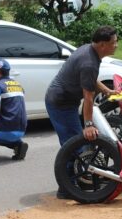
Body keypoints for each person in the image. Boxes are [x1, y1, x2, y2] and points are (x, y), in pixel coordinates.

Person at [45, 25, 117, 199]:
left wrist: (107, 90)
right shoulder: (89, 62)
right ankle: (66, 188)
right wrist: (89, 125)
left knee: (77, 144)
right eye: (114, 42)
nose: (117, 45)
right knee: (75, 146)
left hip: (65, 100)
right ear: (102, 44)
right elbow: (88, 97)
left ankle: (73, 184)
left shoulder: (91, 52)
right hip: (61, 103)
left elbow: (90, 81)